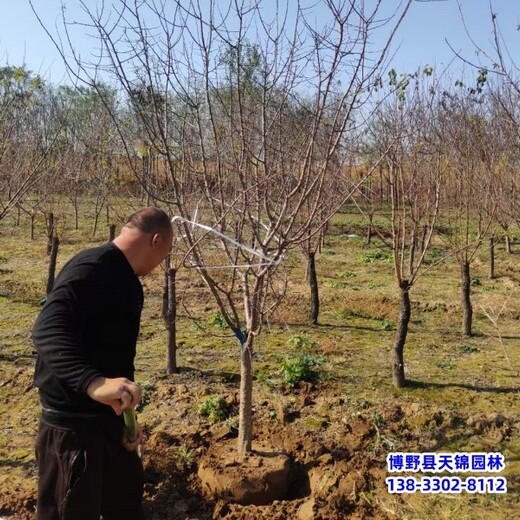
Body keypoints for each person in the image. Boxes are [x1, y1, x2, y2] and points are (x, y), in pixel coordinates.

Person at [32, 207, 174, 520]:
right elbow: (47, 329)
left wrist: (127, 420)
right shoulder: (91, 268)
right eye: (166, 253)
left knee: (125, 507)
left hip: (109, 426)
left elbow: (116, 356)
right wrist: (93, 383)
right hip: (72, 430)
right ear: (157, 240)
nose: (162, 263)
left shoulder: (127, 281)